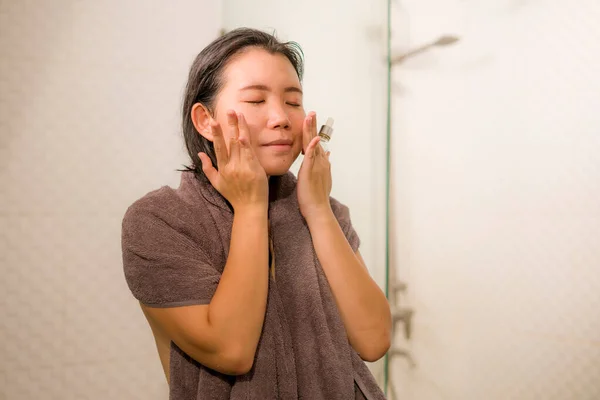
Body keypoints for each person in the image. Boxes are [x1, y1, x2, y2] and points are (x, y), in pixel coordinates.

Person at [121, 27, 391, 399]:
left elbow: (374, 340)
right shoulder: (160, 220)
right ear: (205, 120)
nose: (281, 117)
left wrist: (319, 212)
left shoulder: (326, 211)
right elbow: (231, 350)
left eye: (293, 102)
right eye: (256, 100)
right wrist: (250, 208)